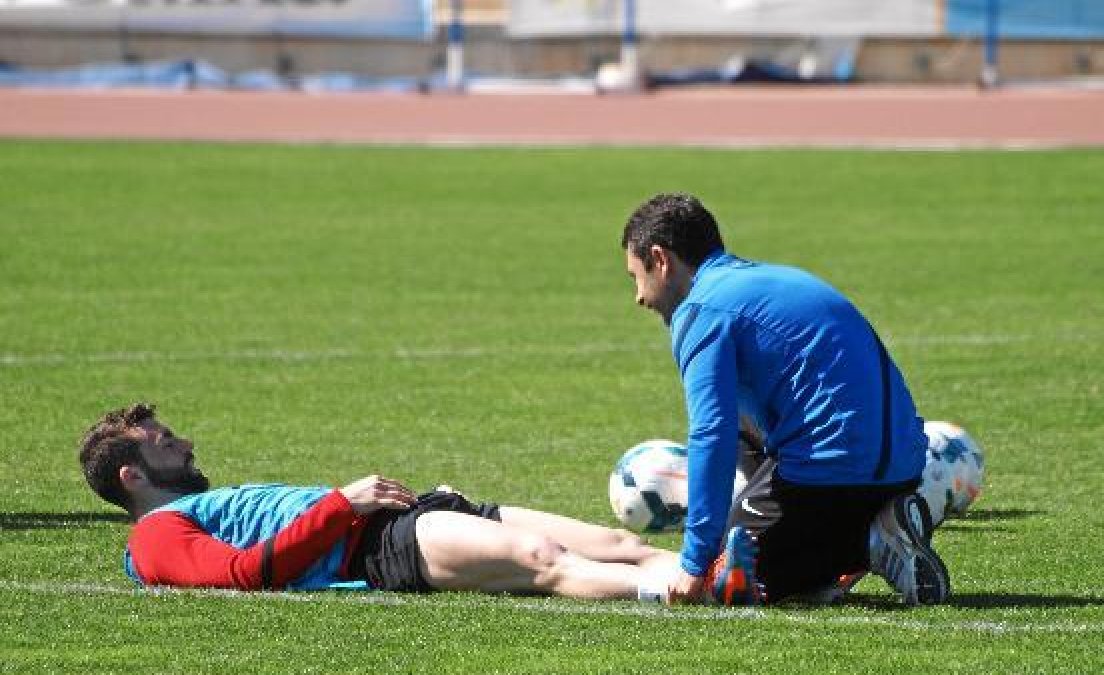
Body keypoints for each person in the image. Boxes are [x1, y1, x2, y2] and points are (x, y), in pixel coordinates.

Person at [620, 192, 950, 606]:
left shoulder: (702, 309)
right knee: (747, 422)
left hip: (832, 479)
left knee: (721, 581)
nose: (639, 297)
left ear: (661, 260)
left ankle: (868, 542)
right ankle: (878, 525)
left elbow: (711, 432)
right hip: (904, 470)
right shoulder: (777, 279)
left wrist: (694, 561)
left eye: (636, 276)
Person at [78, 403, 678, 603]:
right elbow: (245, 575)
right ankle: (678, 591)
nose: (185, 445)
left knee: (618, 543)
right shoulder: (153, 537)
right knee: (541, 557)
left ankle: (716, 573)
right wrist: (343, 504)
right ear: (132, 477)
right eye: (166, 443)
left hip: (412, 515)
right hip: (377, 547)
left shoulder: (202, 504)